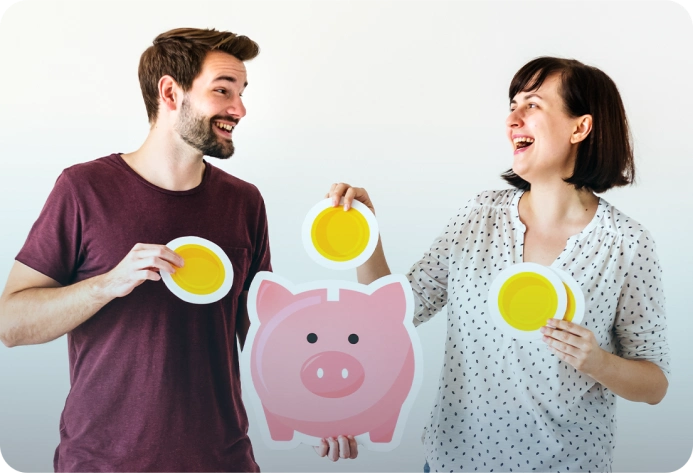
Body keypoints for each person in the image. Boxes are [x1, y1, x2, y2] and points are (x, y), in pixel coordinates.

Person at [318, 57, 671, 471]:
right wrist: (367, 234)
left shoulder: (626, 244)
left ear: (580, 127)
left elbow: (655, 384)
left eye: (533, 105)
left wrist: (597, 362)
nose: (512, 119)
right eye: (512, 105)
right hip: (452, 463)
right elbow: (394, 311)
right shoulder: (479, 216)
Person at [0, 28, 271, 473]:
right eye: (223, 90)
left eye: (241, 93)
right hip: (102, 464)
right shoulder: (84, 189)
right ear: (170, 91)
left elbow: (263, 336)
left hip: (223, 462)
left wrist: (329, 409)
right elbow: (10, 324)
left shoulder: (244, 203)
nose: (239, 109)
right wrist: (106, 285)